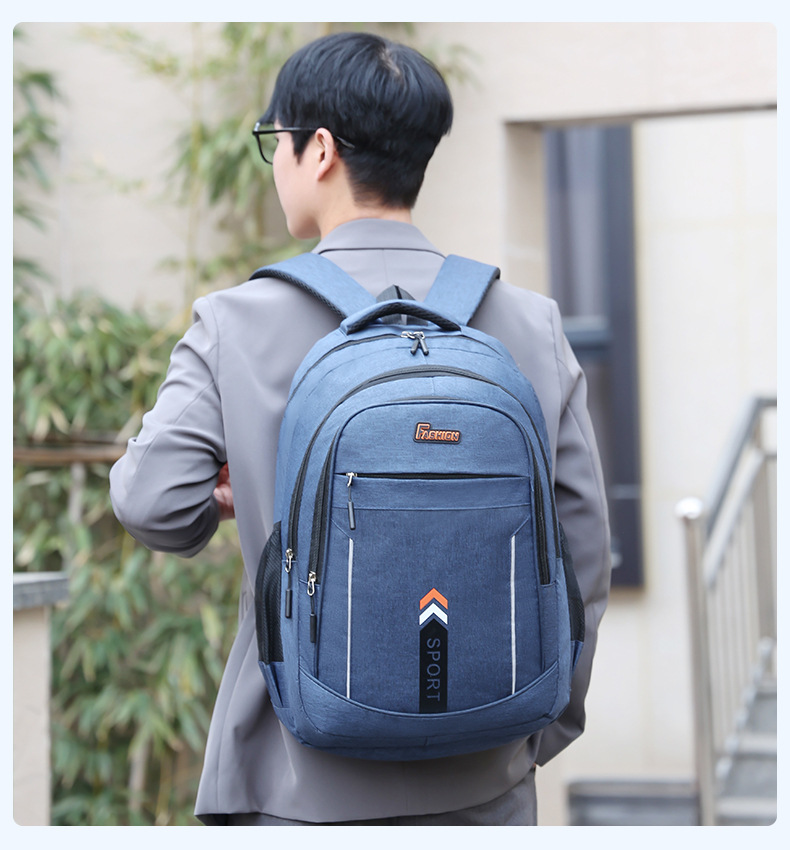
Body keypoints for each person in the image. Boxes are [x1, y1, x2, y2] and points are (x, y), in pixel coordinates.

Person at [110, 30, 611, 826]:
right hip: (487, 787)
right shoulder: (530, 322)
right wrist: (535, 728)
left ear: (317, 150)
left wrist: (224, 497)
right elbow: (581, 549)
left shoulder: (235, 321)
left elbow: (153, 504)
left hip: (294, 786)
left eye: (273, 140)